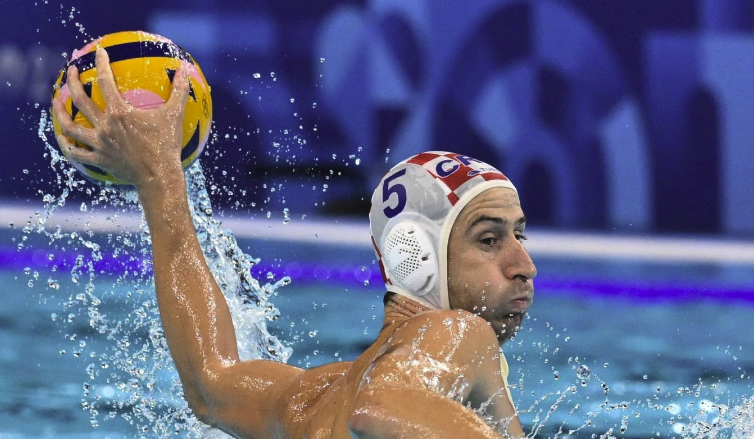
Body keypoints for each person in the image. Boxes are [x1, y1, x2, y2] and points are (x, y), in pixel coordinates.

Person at [52, 48, 536, 439]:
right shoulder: (458, 333)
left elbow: (210, 384)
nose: (524, 265)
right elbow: (380, 407)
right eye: (490, 239)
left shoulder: (313, 396)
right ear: (418, 258)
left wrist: (159, 182)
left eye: (520, 234)